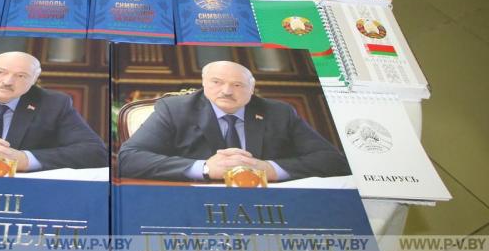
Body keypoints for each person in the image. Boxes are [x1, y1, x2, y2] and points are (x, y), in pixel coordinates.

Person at [118, 61, 350, 182]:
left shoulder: (279, 112)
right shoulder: (175, 109)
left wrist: (271, 169)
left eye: (238, 85)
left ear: (251, 90)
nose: (227, 91)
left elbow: (332, 160)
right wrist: (205, 168)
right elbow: (129, 159)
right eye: (217, 82)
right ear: (204, 84)